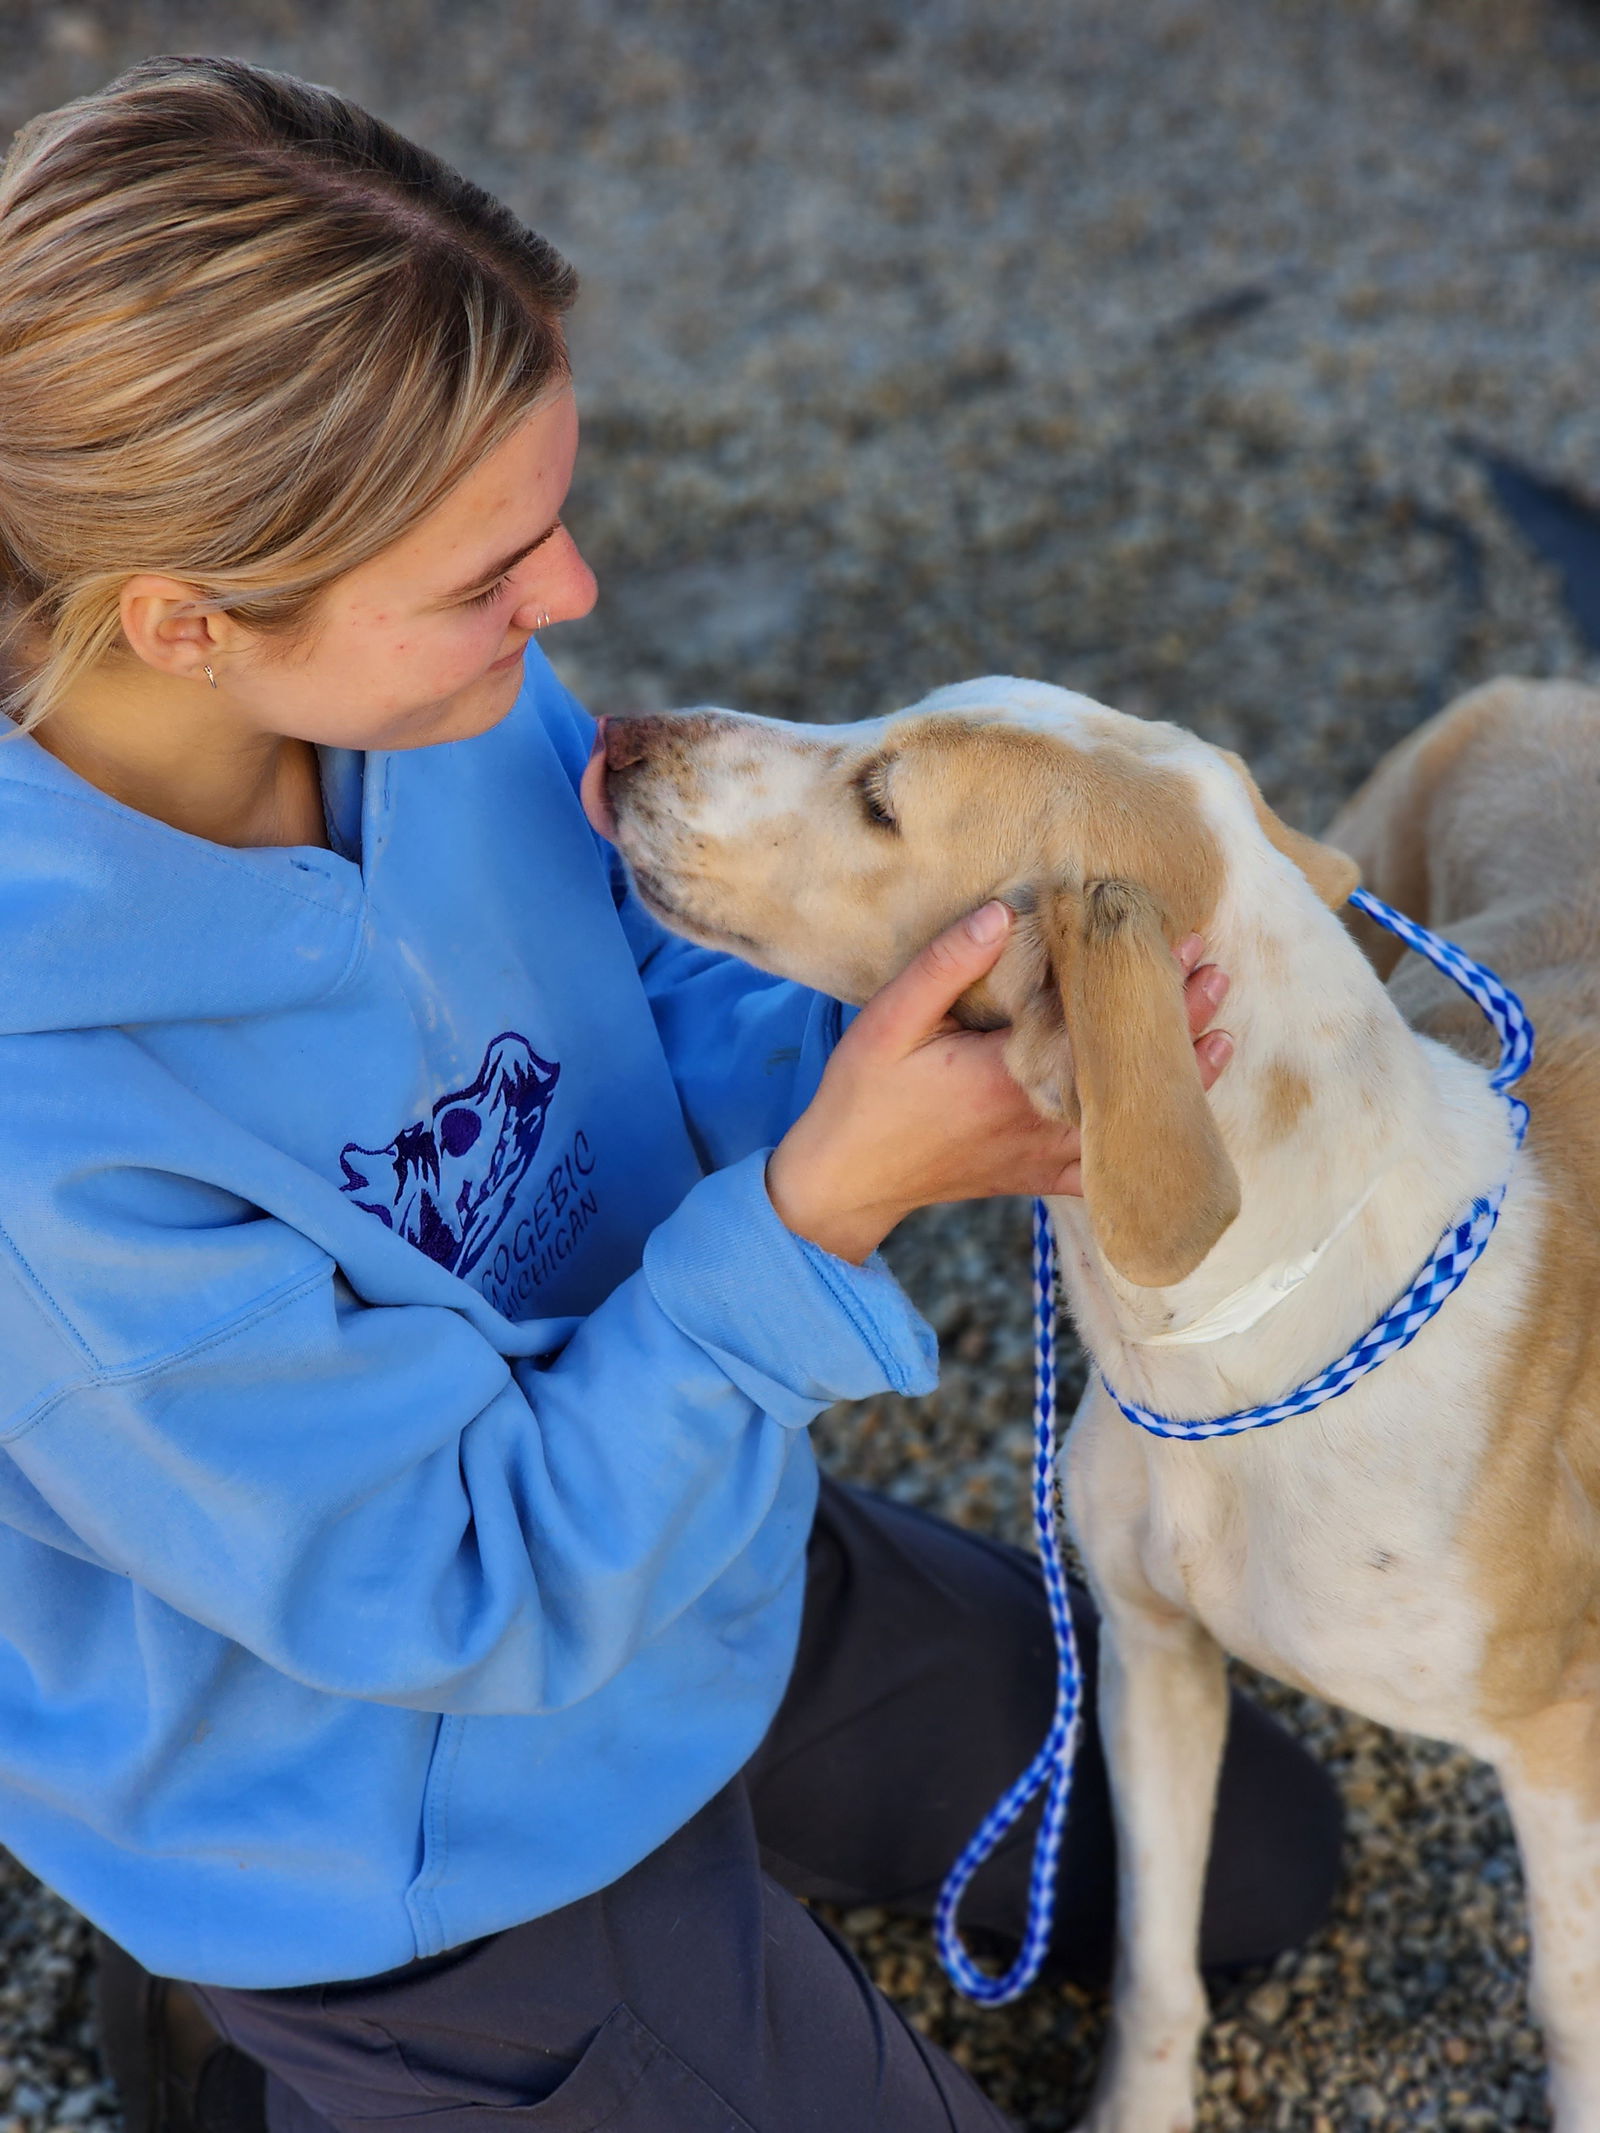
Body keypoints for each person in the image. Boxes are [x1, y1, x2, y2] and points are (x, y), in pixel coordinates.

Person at [0, 55, 1341, 2133]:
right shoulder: (43, 1115)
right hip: (400, 1800)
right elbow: (461, 1587)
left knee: (1266, 1856)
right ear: (184, 616)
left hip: (674, 1547)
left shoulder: (419, 695)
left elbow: (638, 995)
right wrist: (816, 1214)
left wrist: (914, 1039)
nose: (571, 605)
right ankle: (267, 2028)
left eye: (547, 520)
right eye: (487, 574)